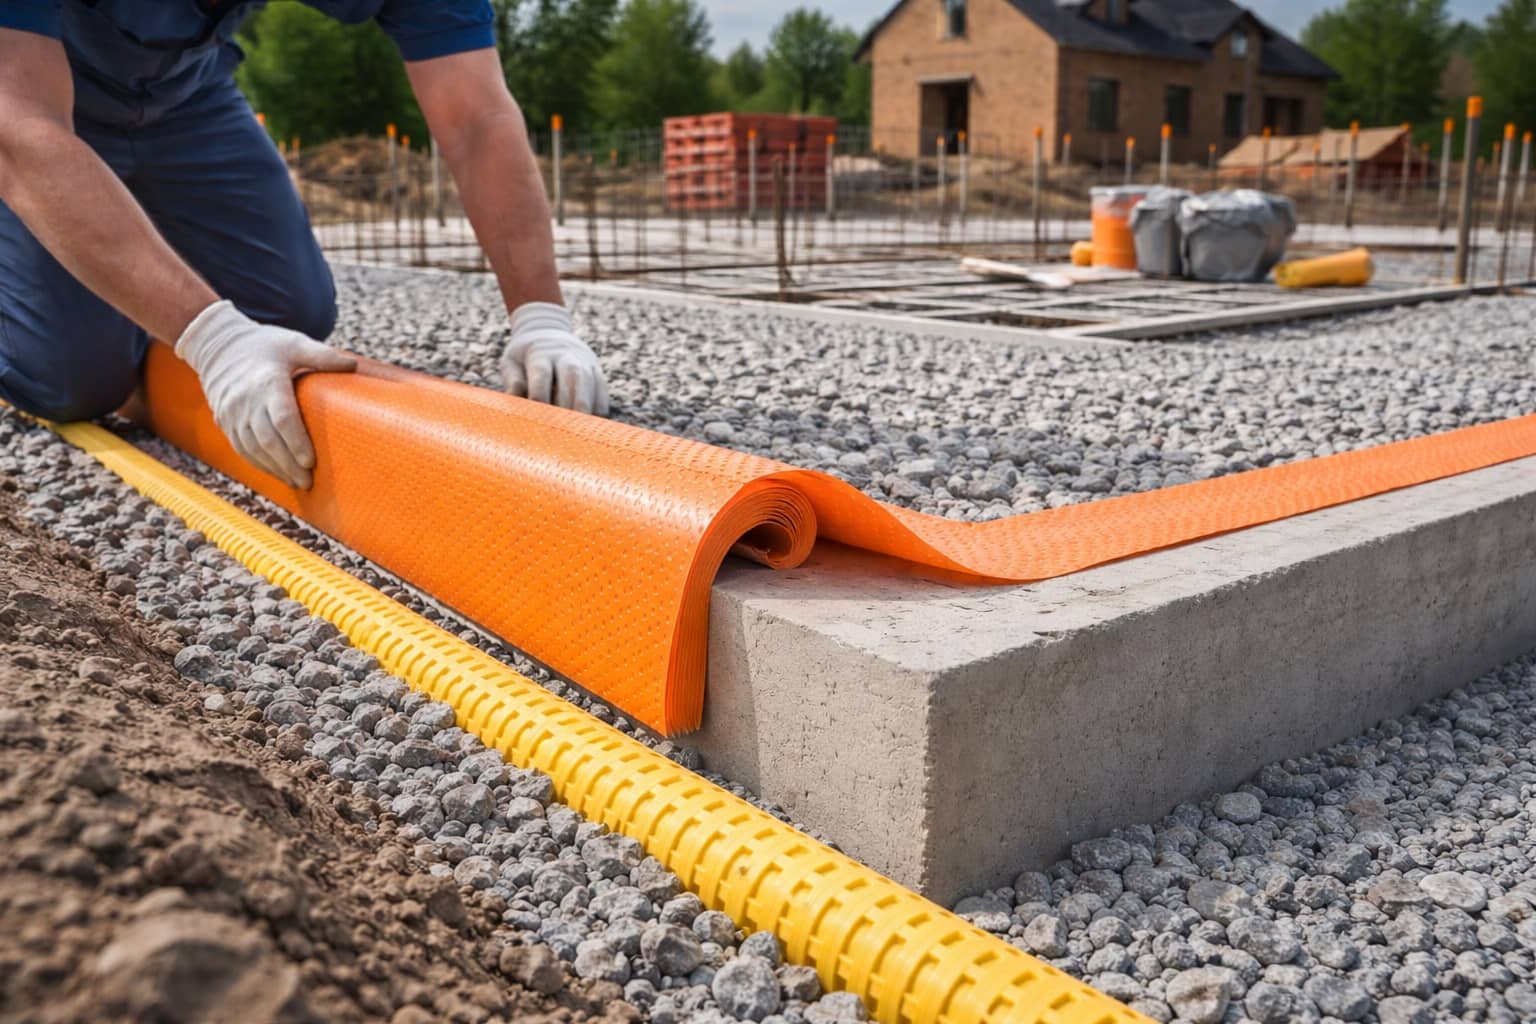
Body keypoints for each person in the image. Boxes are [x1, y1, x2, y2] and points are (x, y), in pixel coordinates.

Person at [0, 1, 609, 490]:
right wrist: (214, 339)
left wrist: (540, 317)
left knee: (288, 318)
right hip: (31, 92)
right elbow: (21, 127)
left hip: (183, 96)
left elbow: (477, 119)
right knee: (71, 381)